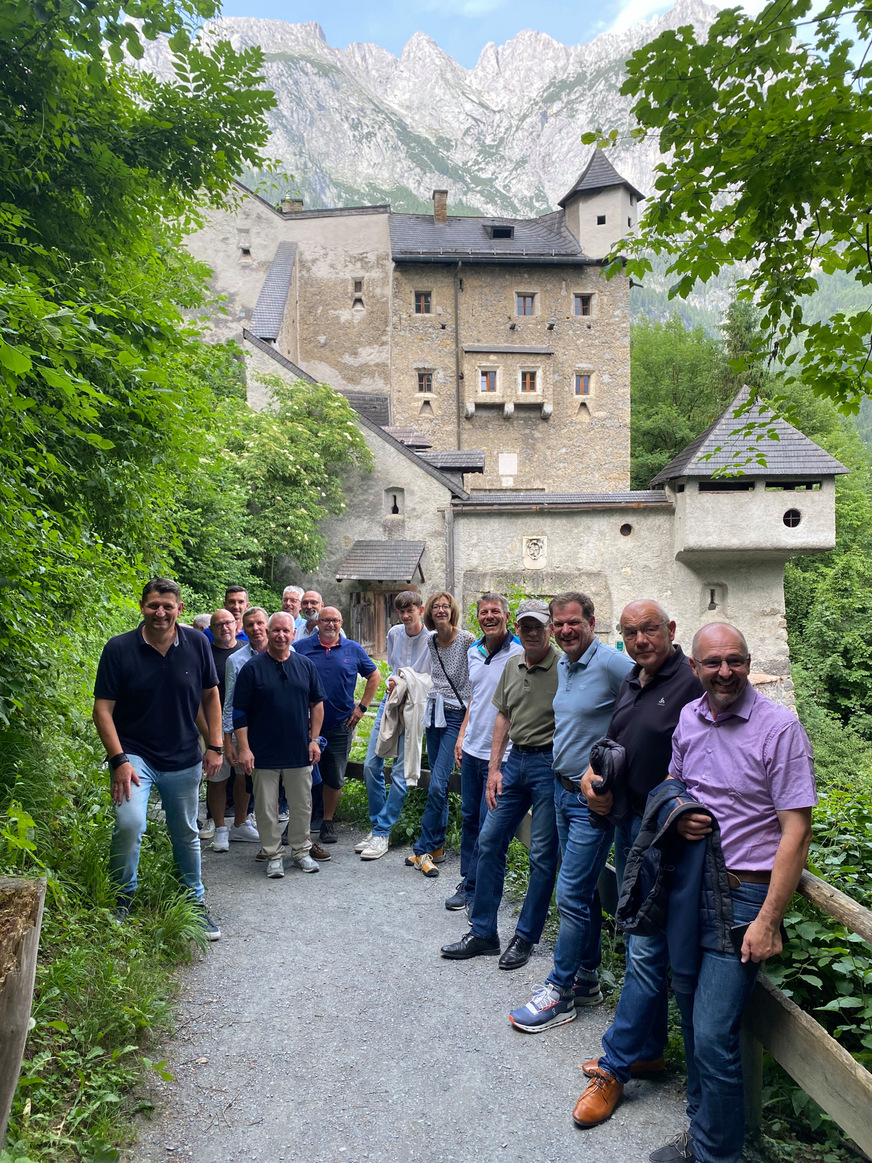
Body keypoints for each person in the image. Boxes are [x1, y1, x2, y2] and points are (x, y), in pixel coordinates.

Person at [622, 623, 815, 1163]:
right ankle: (704, 1133)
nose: (725, 672)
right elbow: (674, 783)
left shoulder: (779, 728)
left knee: (711, 1035)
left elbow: (795, 830)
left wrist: (769, 919)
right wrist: (678, 814)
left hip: (744, 896)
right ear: (696, 668)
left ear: (749, 662)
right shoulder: (690, 717)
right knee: (690, 1014)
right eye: (713, 663)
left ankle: (718, 1155)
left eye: (735, 661)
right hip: (689, 885)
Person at [571, 602, 702, 1117]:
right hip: (630, 827)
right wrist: (589, 779)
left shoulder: (692, 684)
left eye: (651, 629)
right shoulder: (635, 678)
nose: (641, 639)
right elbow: (615, 741)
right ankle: (647, 1052)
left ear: (671, 630)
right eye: (631, 632)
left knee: (646, 950)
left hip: (665, 841)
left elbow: (708, 761)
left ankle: (616, 1065)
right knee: (637, 939)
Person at [507, 592, 632, 1025]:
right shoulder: (564, 663)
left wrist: (613, 776)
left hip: (590, 802)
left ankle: (559, 992)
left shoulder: (613, 664)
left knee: (571, 894)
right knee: (587, 890)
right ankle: (589, 978)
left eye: (573, 623)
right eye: (558, 624)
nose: (564, 631)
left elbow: (654, 707)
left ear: (592, 623)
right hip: (561, 791)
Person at [92, 577, 222, 939]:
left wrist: (214, 745)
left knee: (186, 832)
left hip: (183, 755)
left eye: (168, 606)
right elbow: (102, 709)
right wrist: (119, 760)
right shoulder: (119, 649)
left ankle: (194, 902)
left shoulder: (197, 642)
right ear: (142, 606)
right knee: (130, 823)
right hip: (135, 755)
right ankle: (123, 898)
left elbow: (210, 697)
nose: (160, 612)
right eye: (153, 605)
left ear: (179, 609)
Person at [441, 598, 559, 968]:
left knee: (542, 855)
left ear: (550, 628)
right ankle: (484, 933)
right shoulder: (512, 663)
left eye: (538, 625)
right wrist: (494, 769)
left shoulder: (566, 666)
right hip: (514, 762)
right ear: (518, 628)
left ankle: (524, 937)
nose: (531, 631)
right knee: (490, 840)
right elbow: (502, 717)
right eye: (526, 626)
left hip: (549, 765)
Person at [233, 612, 327, 878]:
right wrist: (244, 748)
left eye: (286, 631)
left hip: (298, 749)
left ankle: (300, 851)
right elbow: (238, 711)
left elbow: (317, 704)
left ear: (293, 634)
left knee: (301, 805)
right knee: (265, 807)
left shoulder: (306, 665)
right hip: (263, 752)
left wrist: (314, 740)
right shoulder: (252, 668)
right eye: (276, 630)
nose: (281, 636)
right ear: (268, 631)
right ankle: (273, 854)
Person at [445, 593, 522, 912]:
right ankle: (469, 880)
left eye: (495, 612)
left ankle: (481, 888)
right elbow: (475, 698)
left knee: (490, 826)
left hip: (502, 756)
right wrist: (461, 735)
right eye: (483, 612)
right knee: (469, 818)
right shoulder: (474, 651)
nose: (489, 617)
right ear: (477, 618)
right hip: (473, 749)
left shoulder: (520, 652)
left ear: (506, 616)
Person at [293, 606, 380, 845]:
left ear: (341, 623)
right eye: (326, 620)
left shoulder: (353, 649)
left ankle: (327, 821)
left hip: (341, 723)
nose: (330, 625)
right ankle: (300, 821)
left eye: (335, 621)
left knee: (335, 775)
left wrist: (361, 708)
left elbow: (374, 676)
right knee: (301, 774)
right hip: (306, 725)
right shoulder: (300, 648)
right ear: (317, 623)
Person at [356, 591, 432, 862]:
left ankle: (382, 831)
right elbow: (393, 668)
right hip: (391, 703)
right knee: (370, 764)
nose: (406, 615)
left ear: (421, 610)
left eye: (410, 609)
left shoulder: (430, 639)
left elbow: (429, 678)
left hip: (415, 708)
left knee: (401, 771)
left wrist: (407, 681)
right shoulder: (394, 633)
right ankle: (377, 825)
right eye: (401, 611)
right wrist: (393, 681)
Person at [405, 592, 474, 878]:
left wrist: (463, 732)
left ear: (452, 610)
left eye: (446, 606)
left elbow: (474, 687)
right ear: (430, 613)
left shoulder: (468, 640)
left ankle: (422, 848)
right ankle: (437, 848)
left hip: (457, 714)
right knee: (440, 784)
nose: (441, 610)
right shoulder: (432, 640)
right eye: (436, 607)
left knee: (436, 784)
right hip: (435, 712)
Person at [203, 609, 244, 853]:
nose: (224, 628)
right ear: (212, 629)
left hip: (241, 725)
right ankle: (220, 828)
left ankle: (240, 822)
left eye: (228, 623)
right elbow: (200, 695)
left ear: (236, 624)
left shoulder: (246, 651)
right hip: (211, 725)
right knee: (217, 776)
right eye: (218, 625)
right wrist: (209, 734)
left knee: (243, 774)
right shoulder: (205, 653)